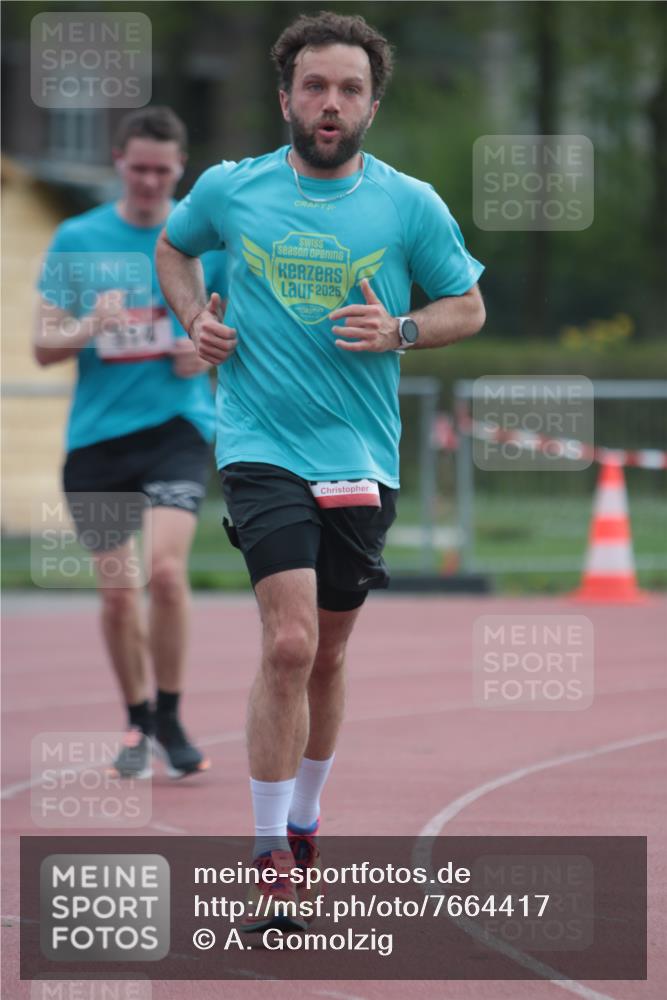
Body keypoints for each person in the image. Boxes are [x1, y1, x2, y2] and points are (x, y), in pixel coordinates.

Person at [157, 10, 485, 926]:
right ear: (285, 98)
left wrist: (402, 328)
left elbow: (466, 305)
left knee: (329, 654)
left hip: (359, 455)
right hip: (259, 444)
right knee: (290, 643)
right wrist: (193, 317)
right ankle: (268, 853)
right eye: (314, 86)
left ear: (372, 105)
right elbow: (174, 248)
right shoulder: (231, 188)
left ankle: (304, 818)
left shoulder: (409, 204)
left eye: (348, 89)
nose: (329, 103)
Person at [33, 106, 227, 780]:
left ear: (180, 170)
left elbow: (238, 333)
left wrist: (206, 354)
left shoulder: (202, 242)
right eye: (138, 168)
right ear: (118, 162)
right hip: (97, 442)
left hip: (176, 428)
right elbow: (41, 347)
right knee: (119, 595)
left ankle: (170, 715)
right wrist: (91, 324)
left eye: (161, 171)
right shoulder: (78, 238)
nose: (148, 182)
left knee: (166, 574)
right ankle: (138, 719)